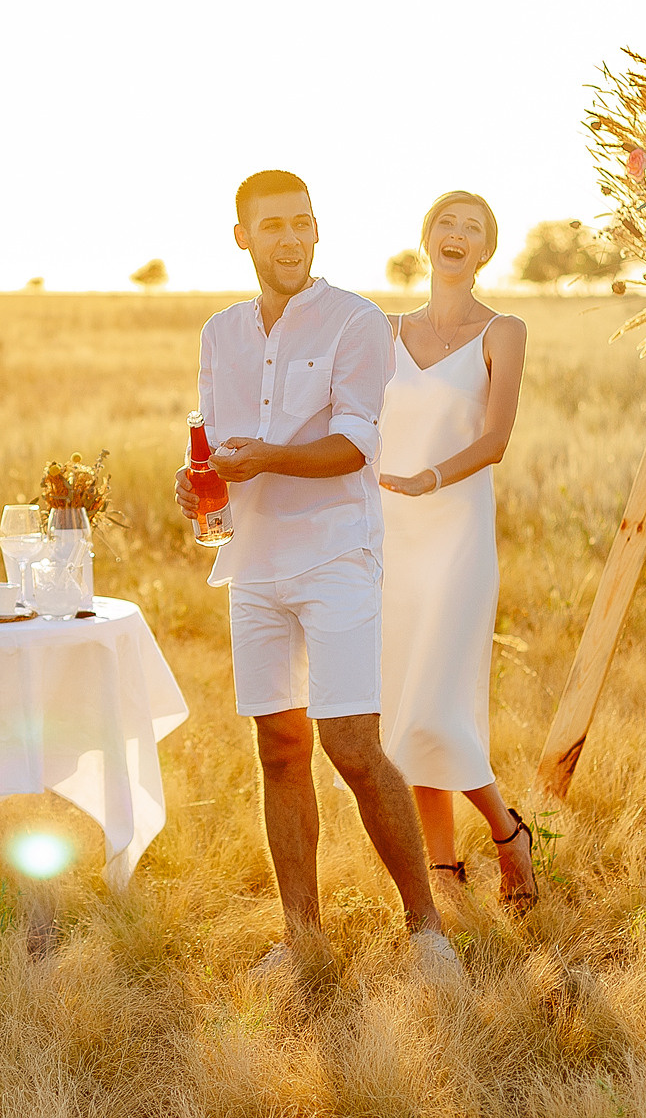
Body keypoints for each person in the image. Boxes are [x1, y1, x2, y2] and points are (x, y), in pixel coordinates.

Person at [175, 169, 459, 984]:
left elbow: (354, 447)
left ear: (317, 229)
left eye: (302, 222)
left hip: (337, 553)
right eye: (272, 226)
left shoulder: (356, 323)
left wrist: (262, 457)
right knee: (278, 746)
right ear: (242, 237)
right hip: (253, 561)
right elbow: (215, 445)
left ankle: (427, 934)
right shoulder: (220, 333)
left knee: (351, 744)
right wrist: (197, 482)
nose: (291, 238)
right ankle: (303, 941)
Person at [376, 190, 538, 909]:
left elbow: (497, 439)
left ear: (485, 252)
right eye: (446, 222)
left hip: (457, 535)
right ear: (426, 237)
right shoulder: (382, 331)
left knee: (439, 705)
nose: (457, 235)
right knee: (407, 708)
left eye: (472, 229)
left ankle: (508, 835)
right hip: (391, 539)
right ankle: (442, 869)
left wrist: (429, 478)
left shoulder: (503, 330)